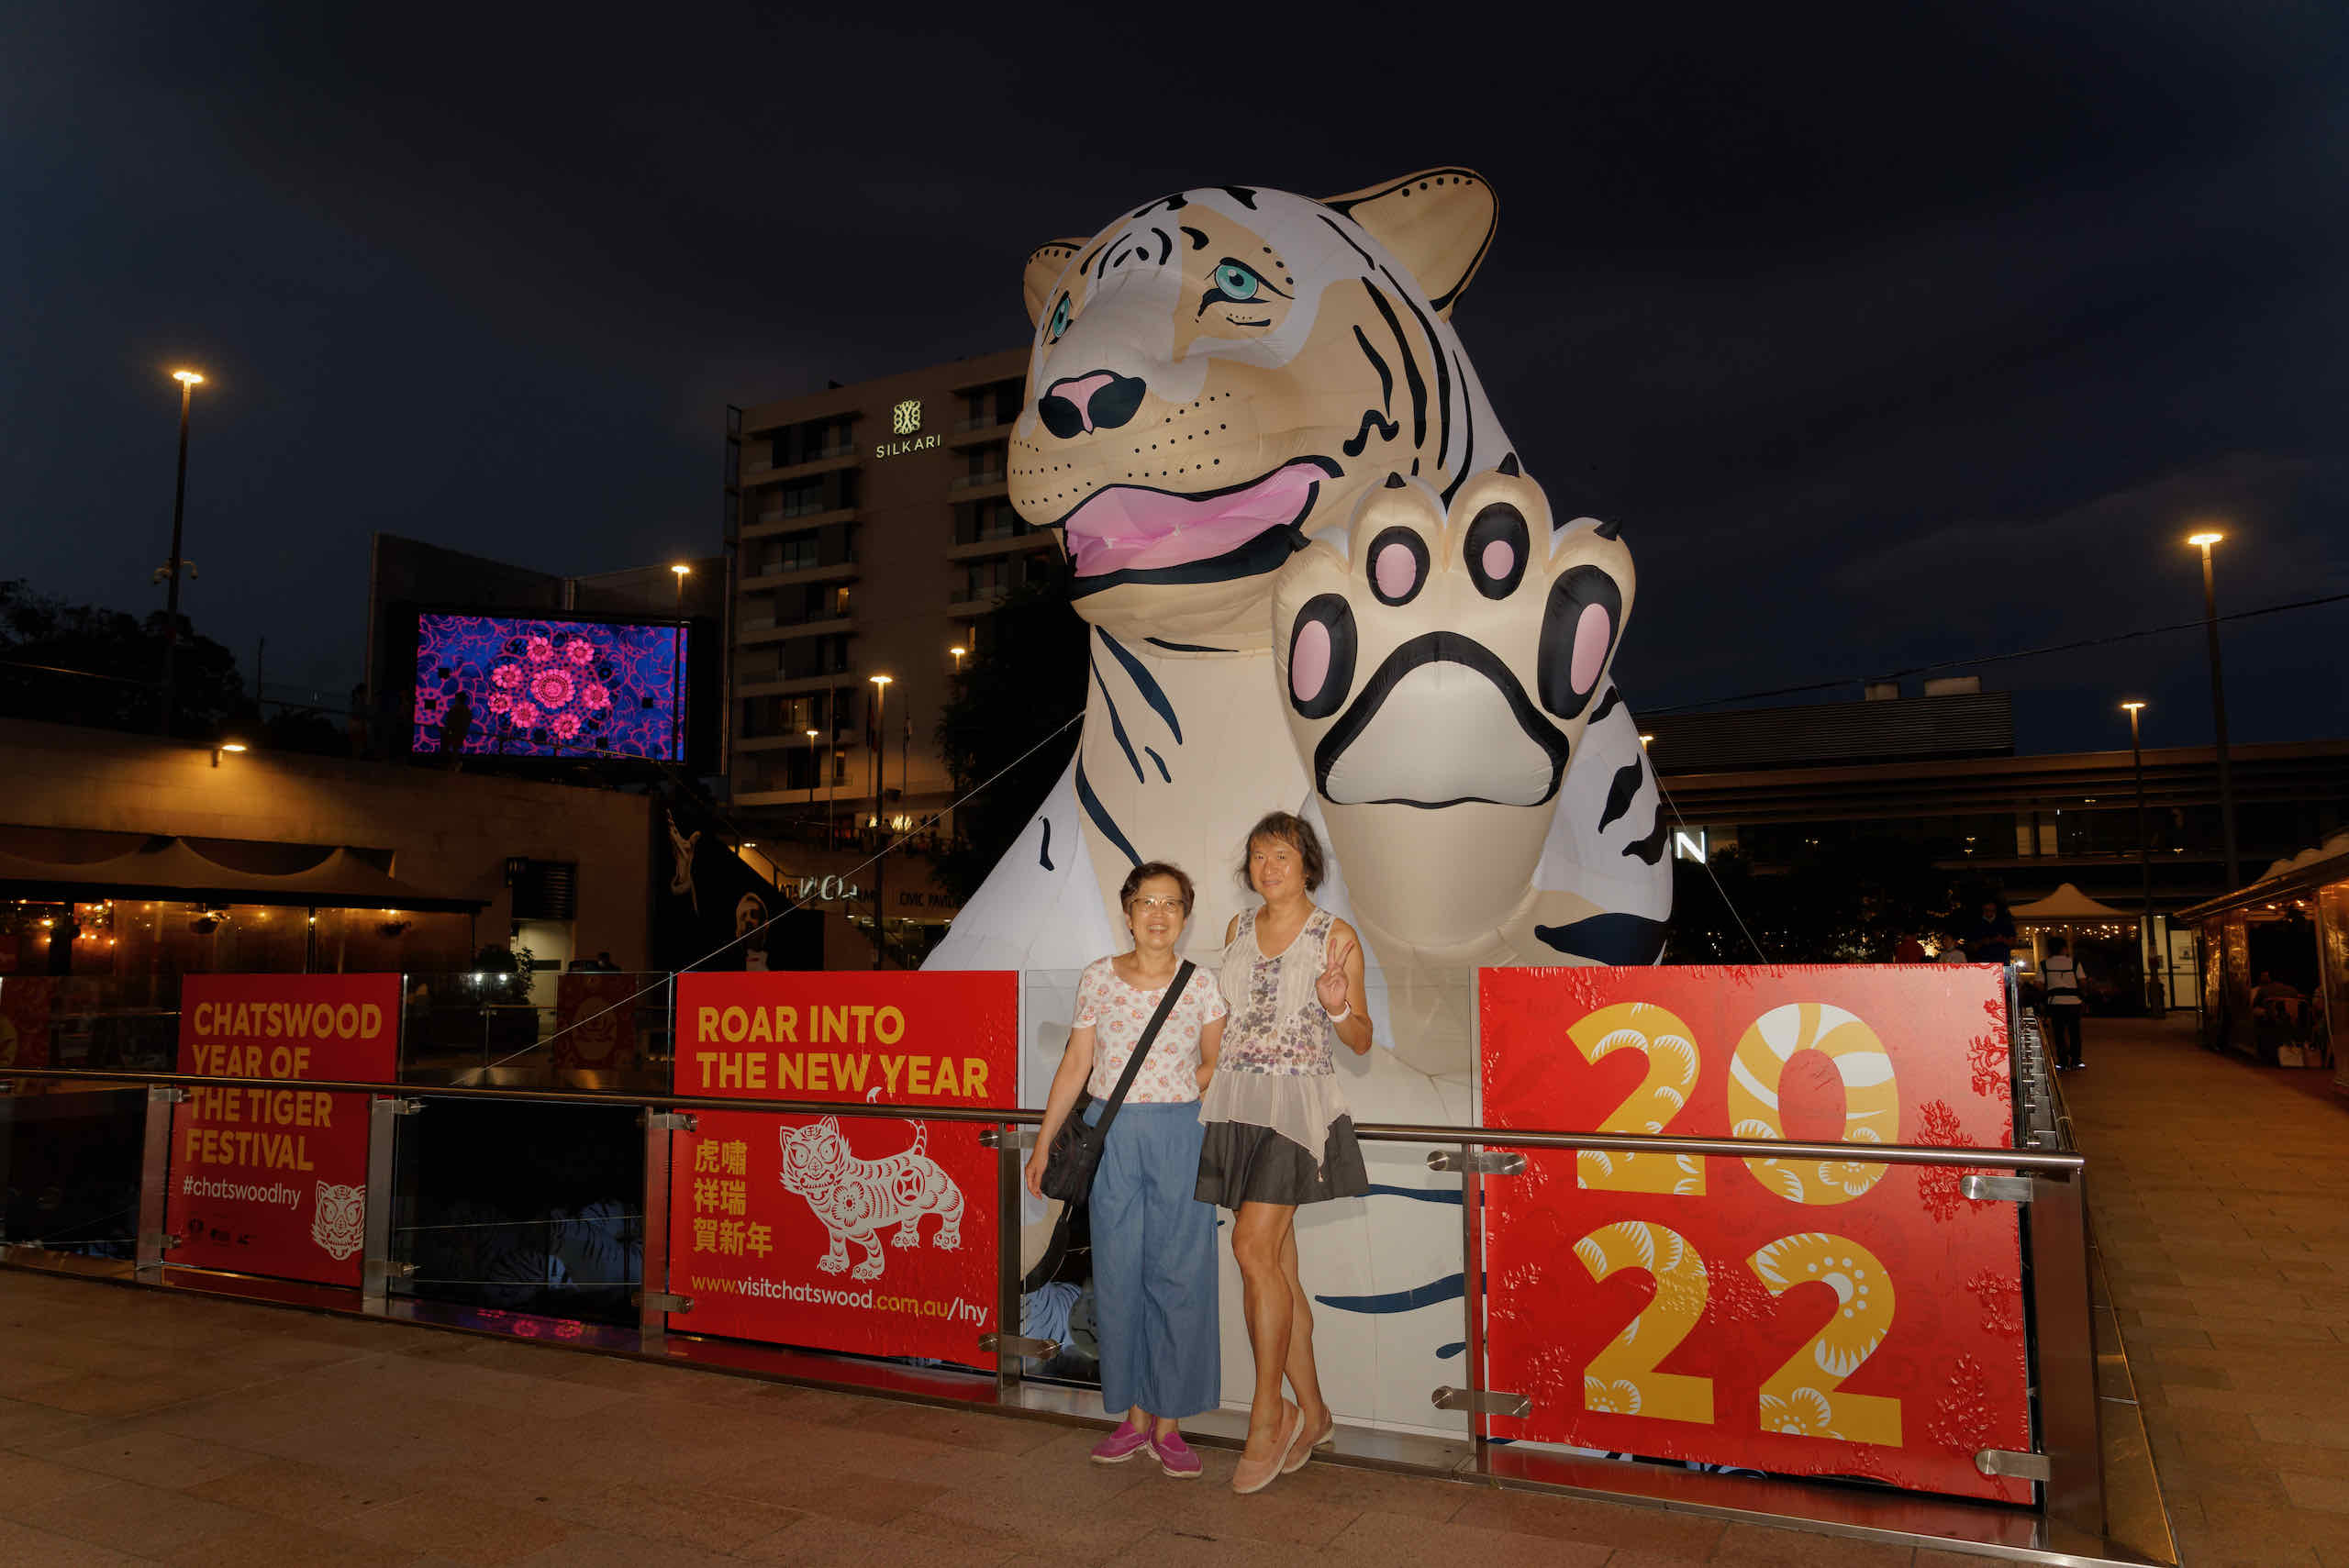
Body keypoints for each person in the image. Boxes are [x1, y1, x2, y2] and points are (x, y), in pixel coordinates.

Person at [1027, 862, 1228, 1480]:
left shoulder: (1200, 984)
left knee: (1180, 1277)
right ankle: (1135, 1418)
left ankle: (1170, 1425)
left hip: (1178, 1134)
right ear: (1128, 909)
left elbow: (1218, 1062)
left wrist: (1171, 1086)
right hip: (1111, 1140)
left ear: (1185, 917)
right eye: (1147, 901)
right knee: (1118, 1275)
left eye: (1171, 903)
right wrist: (1042, 1145)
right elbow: (1076, 1064)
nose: (1159, 913)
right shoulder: (1098, 978)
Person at [1197, 811, 1372, 1495]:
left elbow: (1360, 1037)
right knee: (1275, 1266)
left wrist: (1335, 1005)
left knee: (1248, 1248)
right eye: (1258, 856)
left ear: (1307, 864)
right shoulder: (1237, 929)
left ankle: (1268, 1414)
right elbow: (1230, 1021)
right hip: (1237, 1107)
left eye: (1282, 854)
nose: (1268, 866)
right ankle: (1318, 1412)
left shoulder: (1336, 935)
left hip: (1296, 1112)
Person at [2043, 937, 2086, 1071]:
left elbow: (2038, 983)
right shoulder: (2074, 962)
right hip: (2073, 1001)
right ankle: (2076, 1060)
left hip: (2055, 1002)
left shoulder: (2045, 964)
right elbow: (2083, 981)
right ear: (2064, 948)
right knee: (2074, 1032)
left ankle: (2062, 1061)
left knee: (2059, 1032)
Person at [1963, 899, 2015, 964]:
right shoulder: (1975, 924)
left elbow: (2012, 942)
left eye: (1992, 910)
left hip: (2001, 961)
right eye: (1987, 910)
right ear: (1983, 910)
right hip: (1982, 961)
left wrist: (2002, 939)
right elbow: (1970, 946)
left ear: (1995, 910)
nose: (1989, 912)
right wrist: (1982, 942)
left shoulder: (2005, 923)